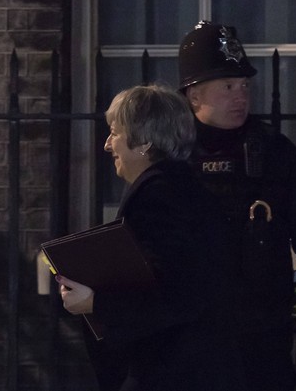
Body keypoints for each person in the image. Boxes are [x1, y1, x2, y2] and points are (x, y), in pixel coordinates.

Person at [178, 20, 296, 391]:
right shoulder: (173, 158)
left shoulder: (274, 154)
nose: (241, 96)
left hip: (263, 344)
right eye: (228, 86)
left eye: (245, 85)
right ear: (194, 95)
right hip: (191, 346)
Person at [57, 83, 248, 391]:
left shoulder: (157, 195)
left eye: (115, 133)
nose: (107, 145)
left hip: (174, 373)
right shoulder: (183, 187)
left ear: (144, 141)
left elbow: (177, 294)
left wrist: (96, 303)